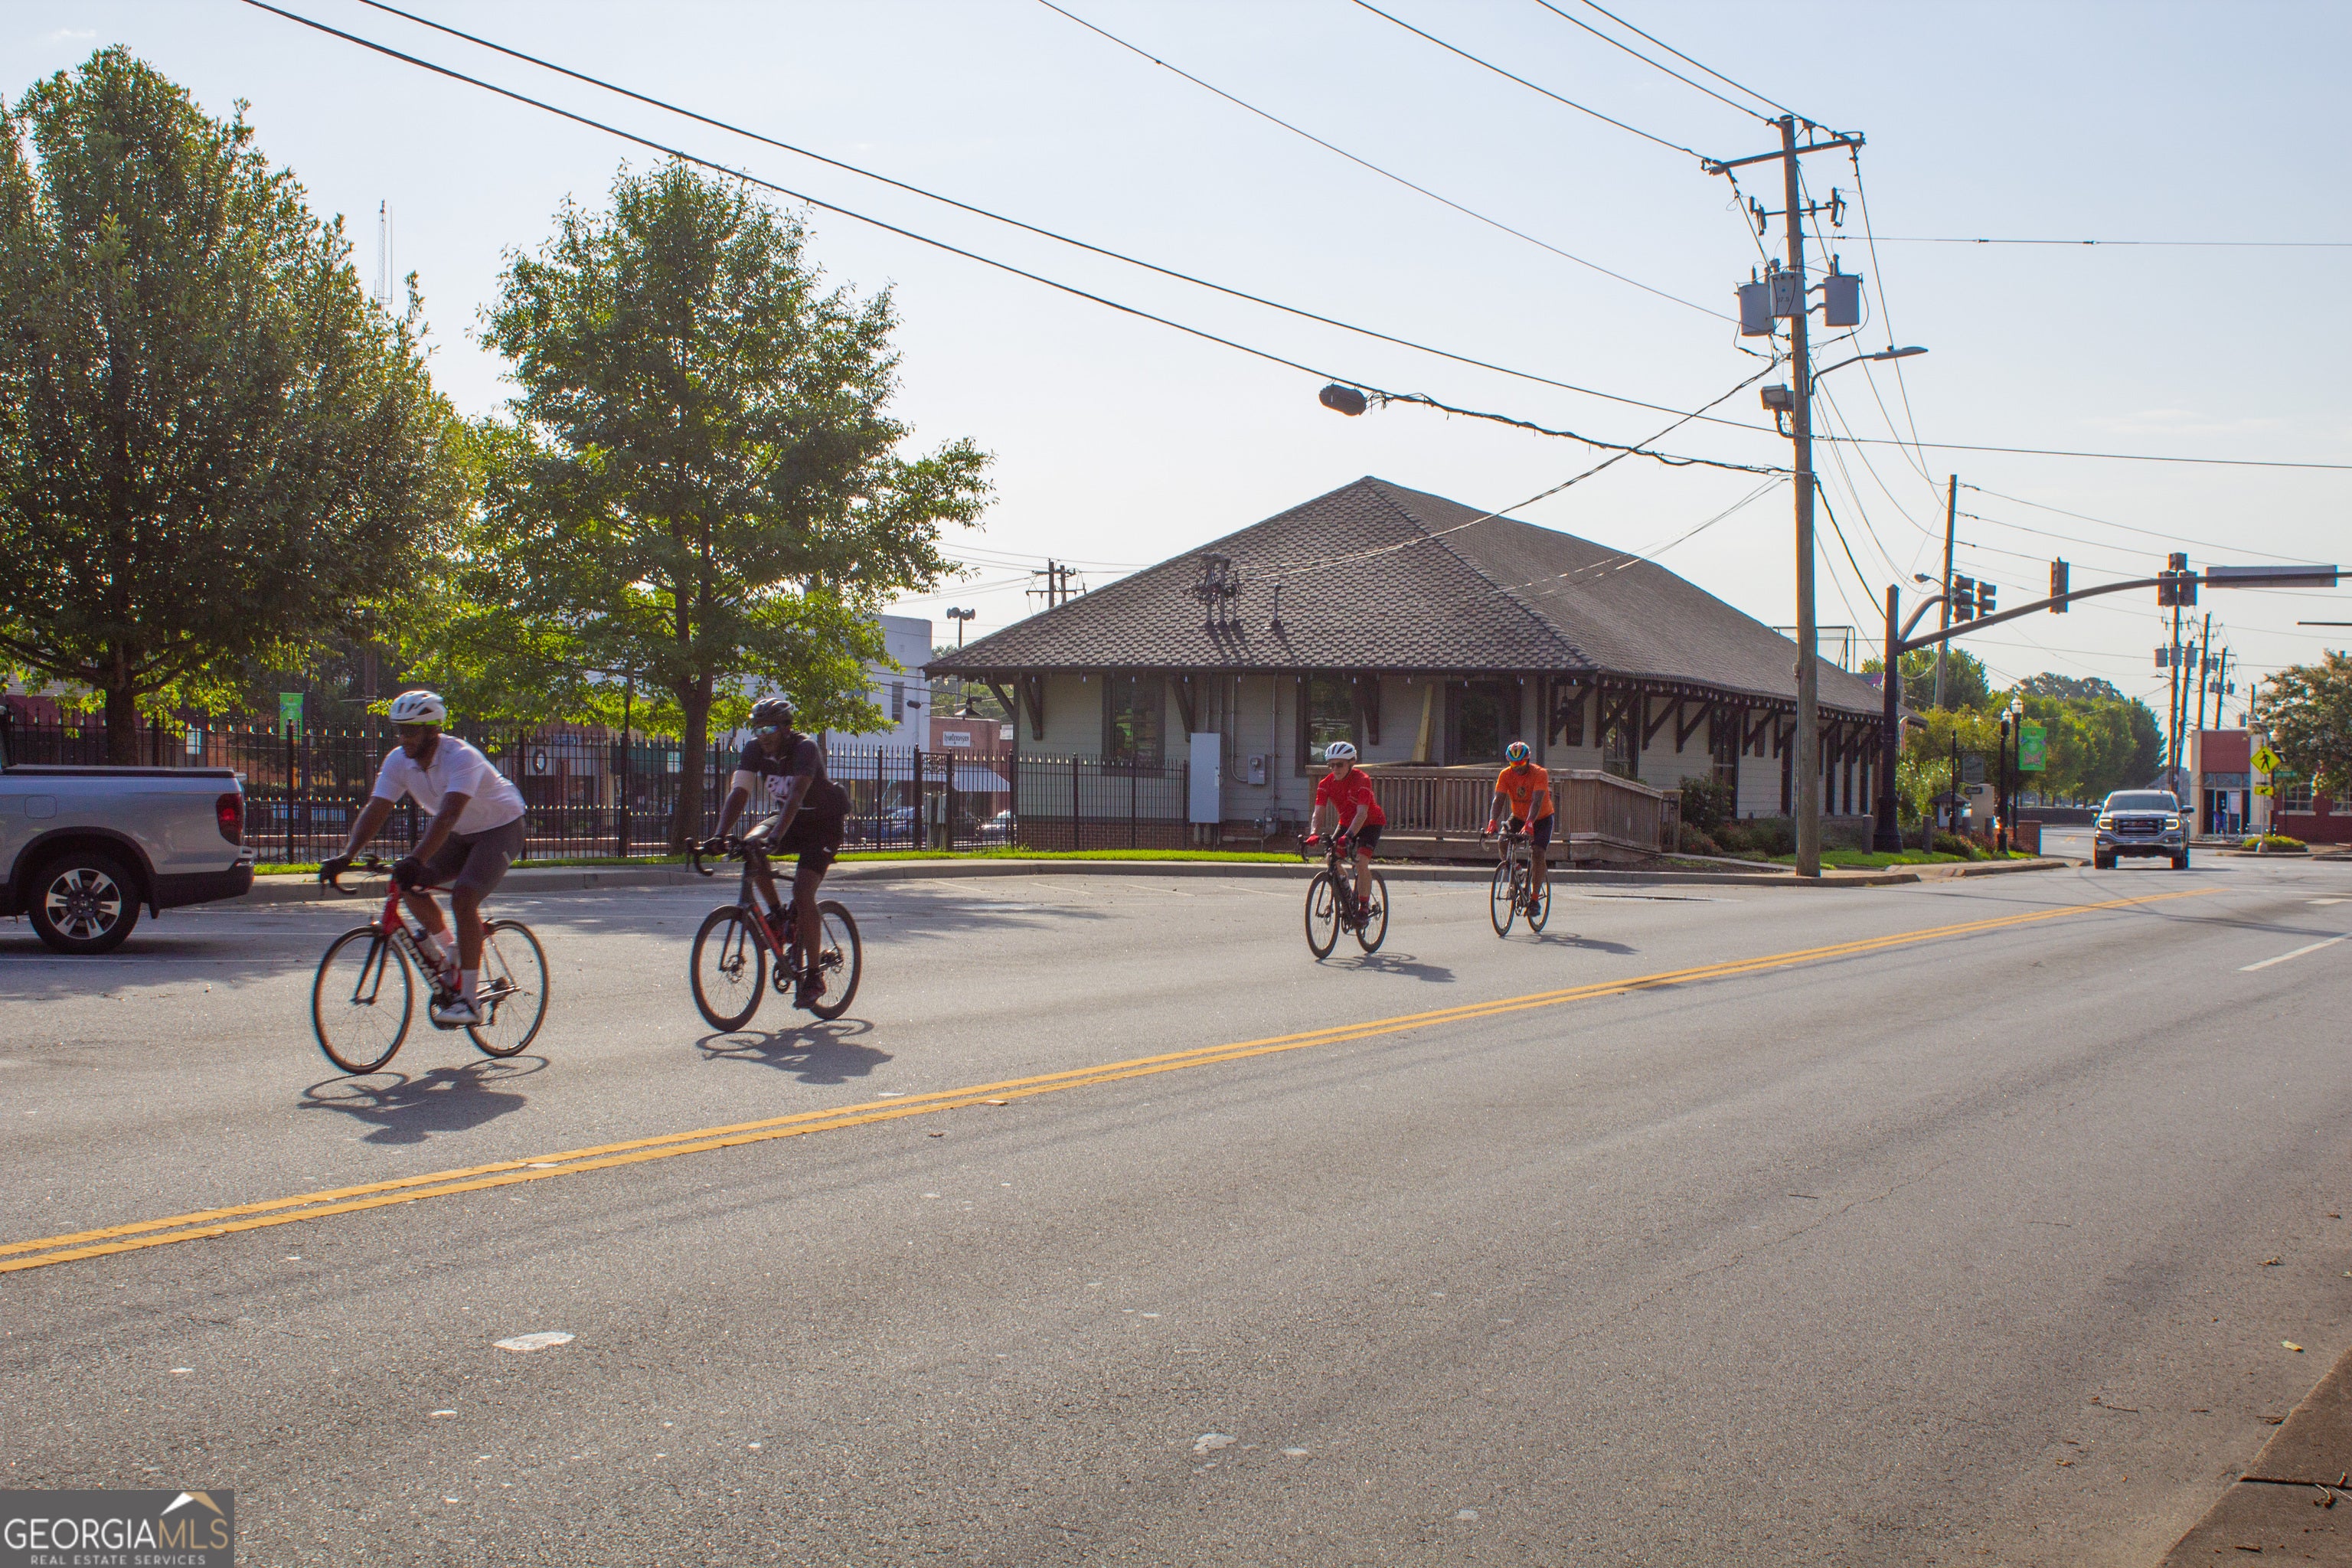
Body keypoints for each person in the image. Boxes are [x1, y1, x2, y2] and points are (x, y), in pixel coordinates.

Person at [320, 690, 528, 1027]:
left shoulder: (461, 757)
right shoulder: (398, 761)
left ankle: (470, 1002)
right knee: (408, 884)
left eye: (411, 731)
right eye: (399, 730)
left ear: (432, 730)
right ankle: (451, 953)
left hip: (500, 827)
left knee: (464, 897)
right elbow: (377, 807)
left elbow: (448, 815)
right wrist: (347, 855)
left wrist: (416, 859)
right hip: (459, 834)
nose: (403, 738)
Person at [704, 697, 852, 1009]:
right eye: (757, 729)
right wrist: (719, 835)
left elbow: (797, 795)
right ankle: (777, 916)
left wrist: (775, 838)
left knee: (802, 892)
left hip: (822, 825)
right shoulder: (754, 750)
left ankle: (814, 975)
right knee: (750, 845)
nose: (763, 735)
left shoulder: (805, 748)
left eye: (769, 728)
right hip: (788, 820)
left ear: (786, 727)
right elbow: (739, 792)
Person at [1308, 739, 1383, 916]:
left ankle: (1364, 907)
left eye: (1340, 764)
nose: (1335, 769)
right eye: (1331, 765)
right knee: (1331, 858)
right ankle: (1346, 893)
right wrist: (1313, 833)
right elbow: (1318, 812)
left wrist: (1349, 836)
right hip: (1347, 822)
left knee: (1361, 862)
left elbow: (1362, 813)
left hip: (1370, 823)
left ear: (1351, 763)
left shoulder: (1362, 780)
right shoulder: (1325, 784)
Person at [1485, 740, 1554, 903]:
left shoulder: (1540, 773)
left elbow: (1537, 801)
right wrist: (1492, 821)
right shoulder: (1505, 775)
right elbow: (1498, 800)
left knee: (1538, 853)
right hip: (1518, 816)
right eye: (1513, 763)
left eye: (1521, 763)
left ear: (1528, 760)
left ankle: (1535, 898)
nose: (1517, 767)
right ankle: (1515, 871)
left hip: (1542, 818)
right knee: (1503, 841)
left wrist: (1530, 823)